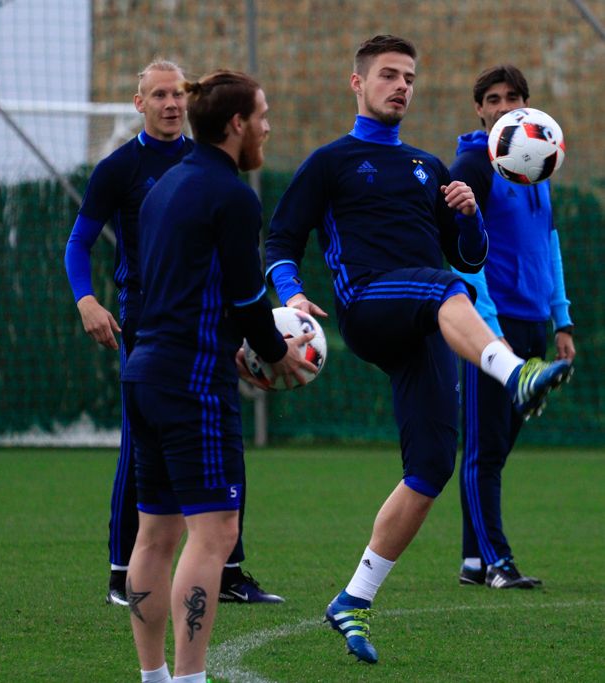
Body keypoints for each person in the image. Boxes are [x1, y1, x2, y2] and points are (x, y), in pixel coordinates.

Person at [265, 35, 573, 664]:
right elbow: (280, 239)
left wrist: (465, 215)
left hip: (425, 318)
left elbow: (469, 257)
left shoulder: (429, 167)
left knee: (431, 468)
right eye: (387, 75)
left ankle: (353, 598)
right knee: (444, 288)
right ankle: (515, 374)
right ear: (358, 84)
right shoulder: (331, 161)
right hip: (370, 306)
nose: (401, 85)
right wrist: (292, 295)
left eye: (409, 76)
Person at [64, 60, 283, 608]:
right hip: (149, 321)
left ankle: (228, 571)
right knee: (142, 449)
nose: (170, 103)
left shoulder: (202, 165)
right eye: (158, 94)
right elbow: (78, 243)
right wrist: (87, 299)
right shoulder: (121, 169)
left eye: (178, 94)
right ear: (138, 103)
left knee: (224, 446)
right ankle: (123, 570)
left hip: (206, 323)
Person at [121, 70, 316, 683]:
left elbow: (186, 289)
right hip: (192, 383)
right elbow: (246, 292)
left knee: (154, 535)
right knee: (215, 534)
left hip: (146, 371)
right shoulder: (233, 196)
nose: (267, 127)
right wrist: (273, 351)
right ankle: (190, 679)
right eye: (262, 115)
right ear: (236, 125)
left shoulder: (165, 186)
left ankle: (154, 677)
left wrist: (237, 343)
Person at [451, 65, 576, 590]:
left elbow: (547, 246)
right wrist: (489, 327)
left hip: (532, 325)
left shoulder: (536, 161)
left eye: (514, 97)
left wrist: (561, 318)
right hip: (490, 331)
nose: (504, 106)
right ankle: (498, 563)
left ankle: (473, 561)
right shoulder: (475, 163)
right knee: (484, 448)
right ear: (480, 109)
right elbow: (461, 253)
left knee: (497, 448)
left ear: (527, 104)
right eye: (494, 99)